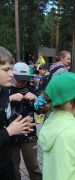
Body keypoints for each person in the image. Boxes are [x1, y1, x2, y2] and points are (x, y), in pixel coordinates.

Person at [0, 46, 34, 180]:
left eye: (11, 69)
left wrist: (18, 126)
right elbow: (6, 131)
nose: (11, 75)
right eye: (6, 70)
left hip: (6, 162)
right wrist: (9, 131)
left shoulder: (4, 91)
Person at [9, 62, 42, 180]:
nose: (22, 82)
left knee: (33, 167)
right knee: (12, 167)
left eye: (24, 80)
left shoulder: (31, 89)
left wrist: (36, 99)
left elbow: (40, 112)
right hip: (10, 134)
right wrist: (9, 99)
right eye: (19, 79)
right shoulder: (5, 90)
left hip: (29, 134)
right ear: (12, 76)